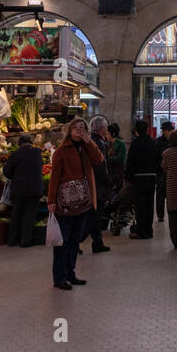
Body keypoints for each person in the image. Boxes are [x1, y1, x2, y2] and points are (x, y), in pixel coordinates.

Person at [47, 118, 106, 290]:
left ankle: (71, 273)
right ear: (70, 130)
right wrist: (51, 200)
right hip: (65, 203)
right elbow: (55, 177)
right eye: (76, 128)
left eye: (83, 128)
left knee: (74, 241)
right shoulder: (61, 151)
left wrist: (90, 143)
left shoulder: (87, 149)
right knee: (63, 242)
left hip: (82, 202)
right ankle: (59, 277)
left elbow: (99, 160)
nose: (79, 131)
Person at [2, 134, 43, 248]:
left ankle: (12, 240)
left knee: (16, 214)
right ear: (30, 142)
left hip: (19, 189)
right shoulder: (37, 152)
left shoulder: (15, 154)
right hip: (35, 189)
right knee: (29, 215)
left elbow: (7, 172)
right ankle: (25, 241)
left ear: (20, 143)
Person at [126, 119, 161, 239]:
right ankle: (149, 230)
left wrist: (129, 177)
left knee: (140, 206)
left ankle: (141, 231)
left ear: (136, 130)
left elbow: (130, 162)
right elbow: (158, 160)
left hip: (138, 178)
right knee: (149, 205)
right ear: (147, 129)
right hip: (151, 178)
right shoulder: (153, 143)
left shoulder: (135, 144)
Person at [85, 115, 113, 253]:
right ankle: (80, 241)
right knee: (94, 216)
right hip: (98, 185)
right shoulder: (99, 143)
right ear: (102, 128)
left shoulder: (91, 141)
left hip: (93, 183)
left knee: (92, 216)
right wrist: (108, 180)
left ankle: (97, 242)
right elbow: (101, 165)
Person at [155, 120, 174, 222]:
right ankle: (160, 215)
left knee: (171, 195)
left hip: (171, 172)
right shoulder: (158, 142)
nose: (165, 132)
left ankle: (171, 213)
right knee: (160, 195)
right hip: (161, 171)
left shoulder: (174, 141)